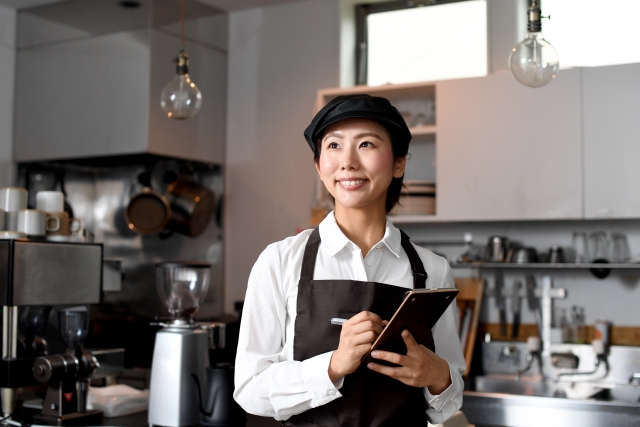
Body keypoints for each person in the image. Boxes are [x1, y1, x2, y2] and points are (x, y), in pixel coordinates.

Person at [234, 95, 465, 426]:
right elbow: (250, 390)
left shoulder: (433, 270)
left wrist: (438, 375)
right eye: (333, 146)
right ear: (318, 166)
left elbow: (447, 404)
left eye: (367, 144)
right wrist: (333, 365)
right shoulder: (281, 261)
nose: (348, 162)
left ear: (399, 163)